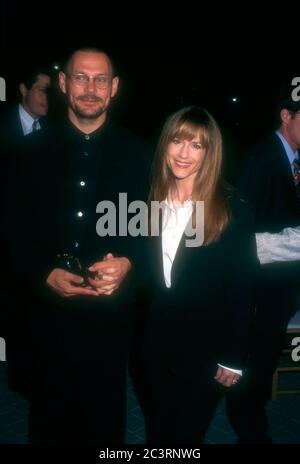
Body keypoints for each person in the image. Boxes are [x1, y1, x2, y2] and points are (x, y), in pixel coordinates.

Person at [4, 47, 150, 443]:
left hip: (110, 319)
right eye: (81, 78)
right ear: (64, 84)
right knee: (48, 419)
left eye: (100, 79)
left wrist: (130, 264)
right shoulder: (25, 154)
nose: (91, 88)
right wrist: (41, 272)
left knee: (105, 421)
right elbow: (10, 231)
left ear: (113, 88)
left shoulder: (141, 156)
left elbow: (153, 235)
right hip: (45, 313)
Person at [132, 106, 257, 444]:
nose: (184, 153)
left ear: (209, 152)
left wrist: (234, 357)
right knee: (156, 431)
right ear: (165, 145)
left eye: (197, 145)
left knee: (187, 436)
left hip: (204, 348)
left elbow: (242, 289)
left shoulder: (232, 209)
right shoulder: (145, 201)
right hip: (151, 347)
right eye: (177, 141)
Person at [226, 83, 300, 443]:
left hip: (281, 289)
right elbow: (241, 239)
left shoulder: (293, 158)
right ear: (286, 116)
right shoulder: (260, 159)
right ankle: (250, 430)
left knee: (264, 363)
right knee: (253, 368)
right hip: (259, 293)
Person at [0, 66, 51, 150]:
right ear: (23, 90)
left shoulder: (51, 126)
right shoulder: (3, 124)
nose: (47, 97)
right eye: (42, 90)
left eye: (49, 92)